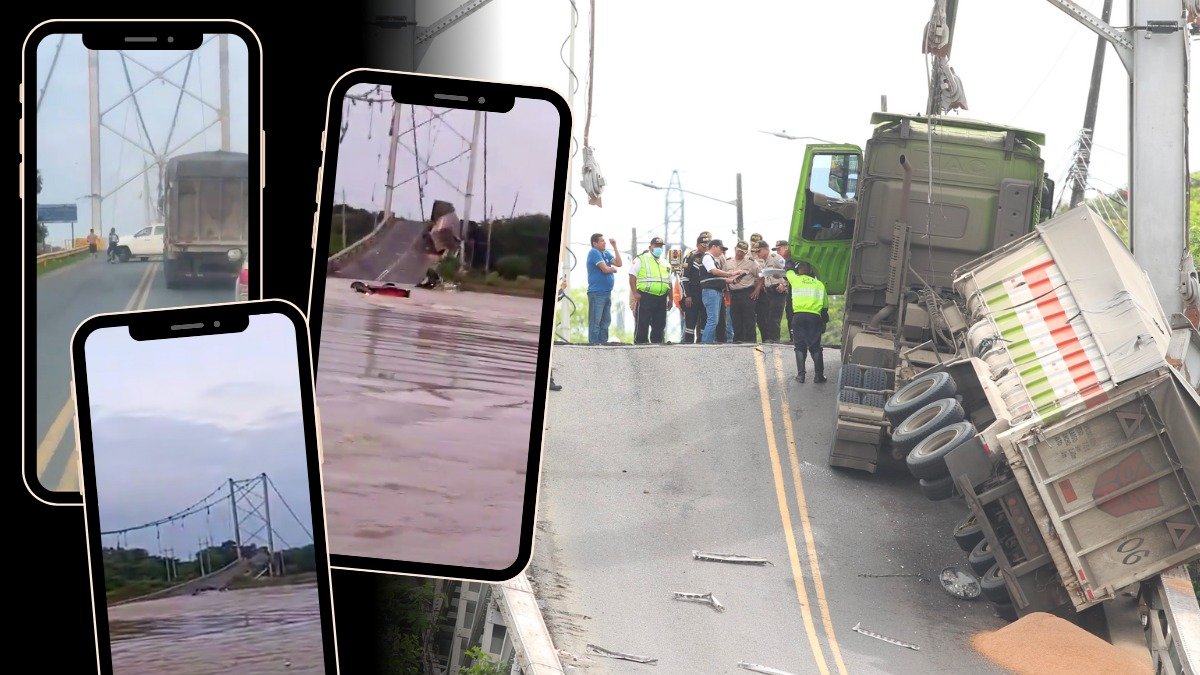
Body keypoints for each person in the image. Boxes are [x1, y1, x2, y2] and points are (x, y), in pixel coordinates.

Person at [698, 239, 748, 343]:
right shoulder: (707, 257)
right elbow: (714, 272)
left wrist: (733, 281)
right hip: (711, 291)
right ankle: (705, 343)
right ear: (714, 247)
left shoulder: (712, 259)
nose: (722, 252)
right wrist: (732, 273)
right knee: (713, 320)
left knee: (715, 320)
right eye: (721, 248)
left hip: (715, 291)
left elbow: (717, 278)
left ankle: (708, 342)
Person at [787, 260, 830, 383]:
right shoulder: (819, 284)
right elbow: (825, 306)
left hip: (799, 316)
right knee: (815, 346)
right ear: (811, 271)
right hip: (814, 317)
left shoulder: (795, 280)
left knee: (800, 346)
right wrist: (823, 321)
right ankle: (819, 376)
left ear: (798, 271)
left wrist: (790, 258)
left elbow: (788, 269)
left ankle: (801, 376)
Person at [629, 236, 673, 344]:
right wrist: (634, 293)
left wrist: (670, 299)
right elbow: (632, 276)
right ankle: (641, 343)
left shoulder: (665, 263)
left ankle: (657, 343)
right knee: (643, 322)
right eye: (656, 246)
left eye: (660, 246)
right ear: (650, 247)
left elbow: (669, 282)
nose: (659, 248)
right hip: (646, 296)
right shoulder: (641, 259)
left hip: (661, 297)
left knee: (660, 323)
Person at [586, 233, 622, 344]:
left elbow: (619, 263)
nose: (604, 242)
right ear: (595, 243)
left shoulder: (605, 253)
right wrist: (612, 269)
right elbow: (605, 269)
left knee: (606, 320)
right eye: (602, 241)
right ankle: (594, 343)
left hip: (607, 292)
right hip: (597, 292)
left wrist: (615, 247)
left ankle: (603, 342)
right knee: (596, 320)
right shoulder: (594, 252)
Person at [679, 232, 712, 343]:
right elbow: (684, 278)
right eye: (703, 245)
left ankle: (702, 342)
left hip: (706, 293)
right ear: (698, 245)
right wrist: (687, 295)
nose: (706, 247)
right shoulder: (690, 257)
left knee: (705, 319)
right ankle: (688, 343)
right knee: (690, 320)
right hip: (692, 294)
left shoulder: (709, 257)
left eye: (707, 245)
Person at [754, 241, 789, 342]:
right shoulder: (765, 260)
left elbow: (789, 271)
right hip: (769, 291)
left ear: (766, 249)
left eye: (759, 251)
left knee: (774, 317)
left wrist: (784, 284)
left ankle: (775, 340)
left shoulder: (775, 257)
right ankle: (770, 339)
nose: (757, 253)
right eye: (756, 251)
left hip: (778, 290)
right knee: (768, 316)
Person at [727, 241, 761, 343]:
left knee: (749, 318)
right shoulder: (728, 262)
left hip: (747, 293)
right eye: (738, 251)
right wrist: (726, 292)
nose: (740, 253)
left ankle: (750, 341)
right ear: (735, 249)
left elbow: (761, 276)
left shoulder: (751, 262)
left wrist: (757, 290)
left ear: (746, 253)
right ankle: (738, 339)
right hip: (734, 294)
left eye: (742, 252)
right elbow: (724, 277)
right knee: (735, 318)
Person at [776, 240, 793, 340]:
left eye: (779, 249)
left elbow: (793, 276)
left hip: (798, 294)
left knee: (793, 314)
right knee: (789, 314)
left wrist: (784, 283)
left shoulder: (792, 259)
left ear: (786, 247)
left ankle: (796, 338)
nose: (778, 252)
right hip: (791, 292)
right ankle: (793, 337)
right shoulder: (787, 260)